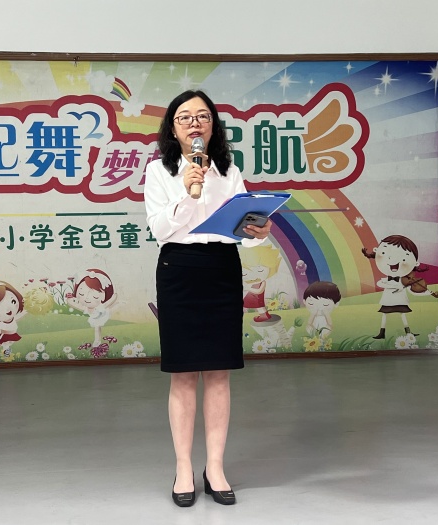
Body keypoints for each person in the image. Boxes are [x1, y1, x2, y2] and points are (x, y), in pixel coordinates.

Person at [144, 90, 271, 507]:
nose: (194, 123)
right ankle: (183, 466)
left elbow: (241, 230)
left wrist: (258, 232)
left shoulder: (228, 171)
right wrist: (187, 191)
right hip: (179, 269)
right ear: (172, 128)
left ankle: (215, 466)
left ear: (213, 126)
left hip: (221, 269)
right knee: (183, 374)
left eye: (202, 116)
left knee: (218, 373)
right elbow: (160, 230)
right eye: (185, 117)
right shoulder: (158, 172)